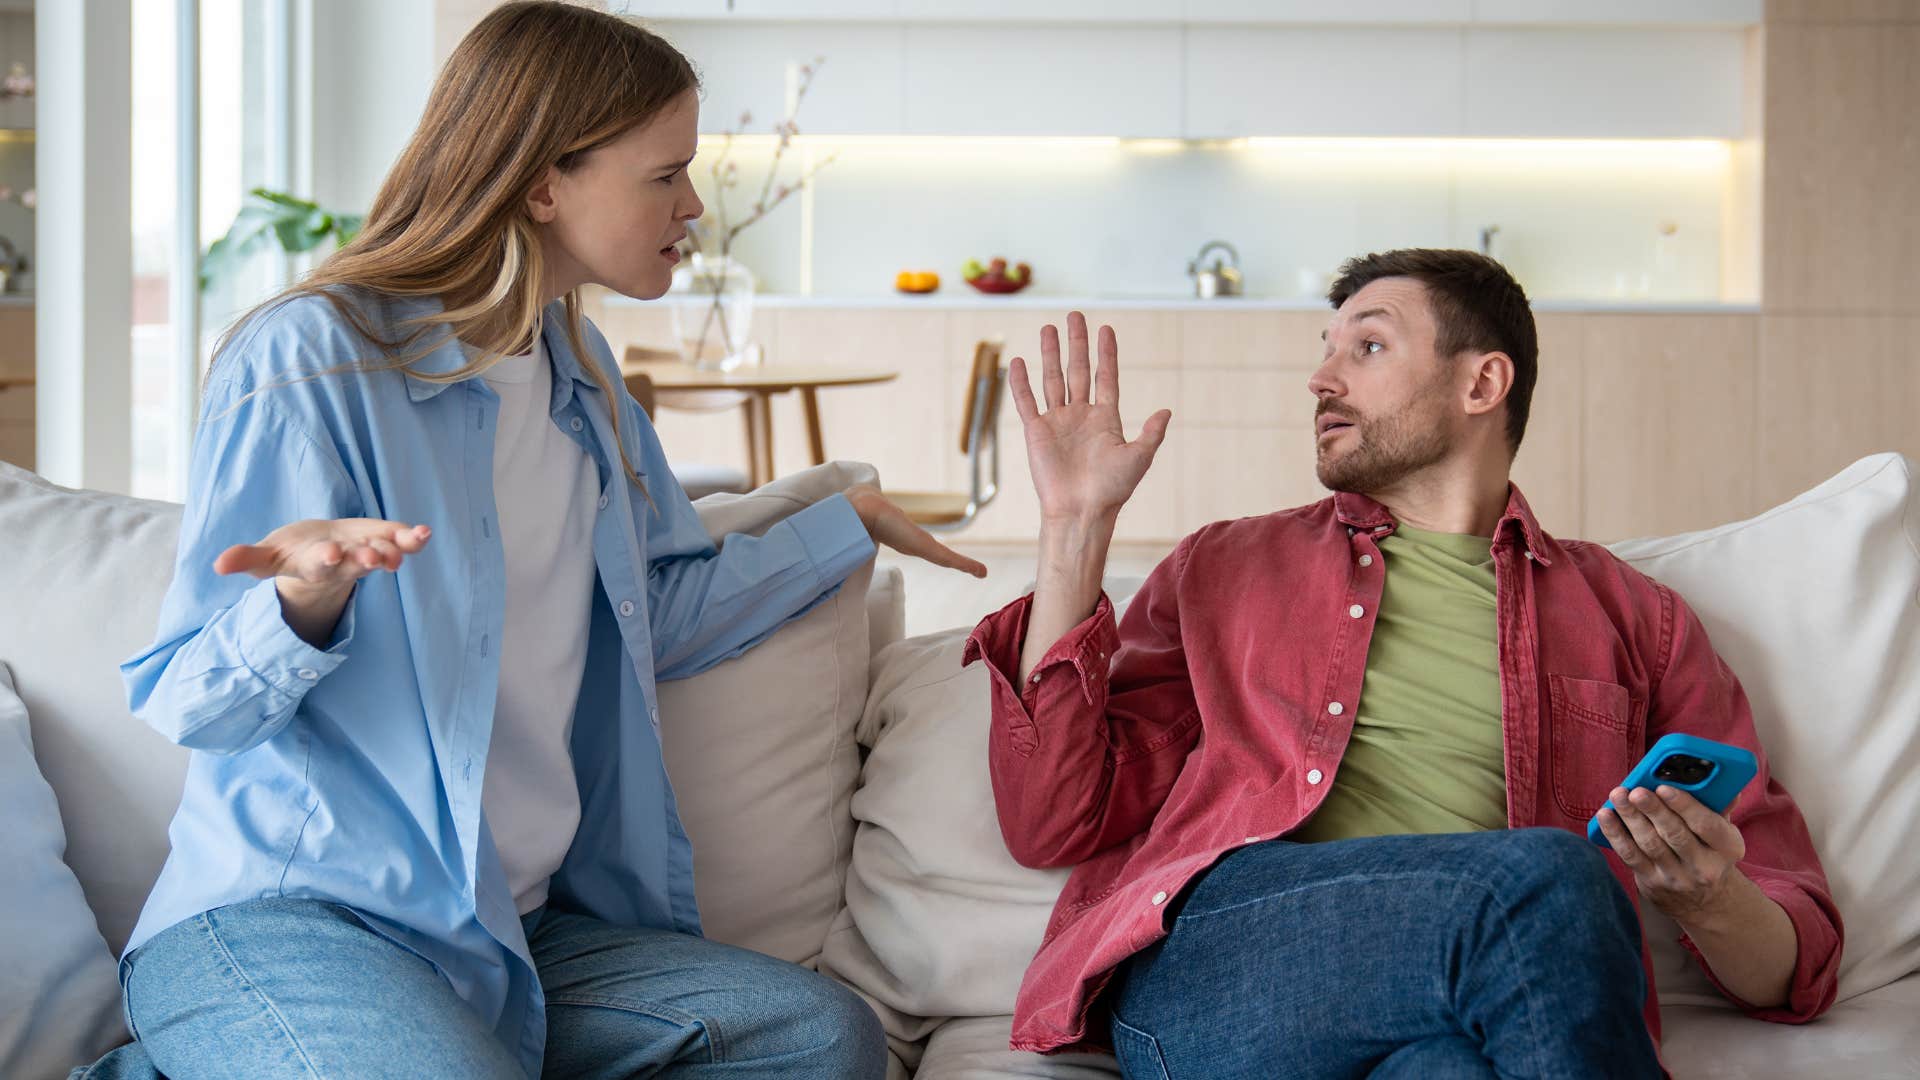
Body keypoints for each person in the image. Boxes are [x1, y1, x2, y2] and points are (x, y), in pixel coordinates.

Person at [72, 5, 982, 1078]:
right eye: (666, 175)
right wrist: (303, 602)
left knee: (816, 1034)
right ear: (544, 182)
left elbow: (658, 615)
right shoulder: (315, 360)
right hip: (294, 917)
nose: (694, 206)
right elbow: (192, 702)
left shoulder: (583, 384)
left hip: (501, 934)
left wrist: (840, 527)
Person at [965, 249, 1841, 1078]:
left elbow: (1793, 971)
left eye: (1369, 345)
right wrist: (1073, 528)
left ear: (1481, 383)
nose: (1321, 378)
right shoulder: (1225, 568)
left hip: (1472, 984)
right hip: (1223, 971)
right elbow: (1052, 821)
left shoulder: (1632, 617)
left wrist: (1706, 896)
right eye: (1327, 349)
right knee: (1544, 878)